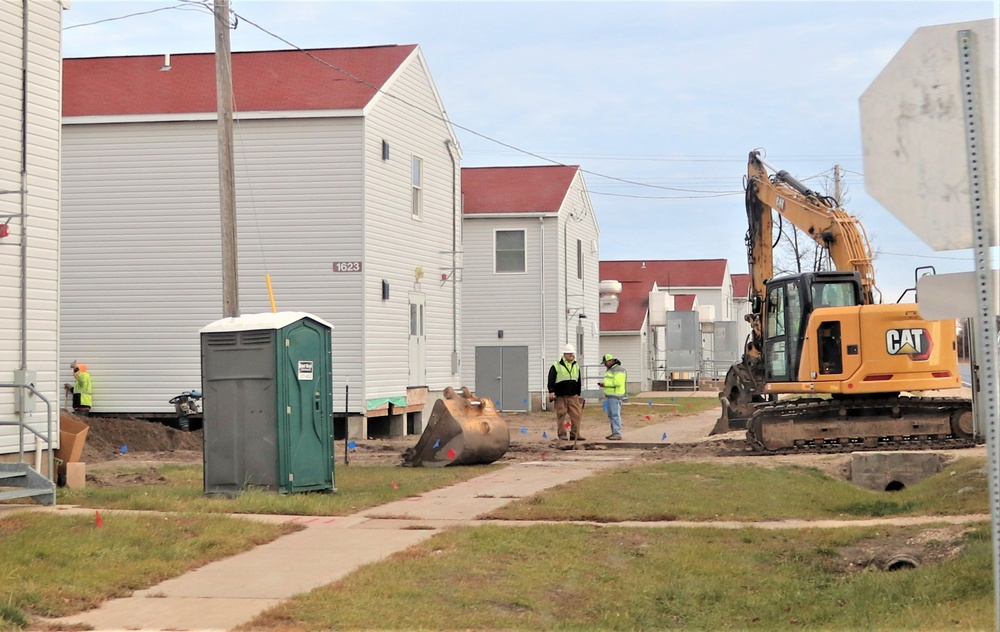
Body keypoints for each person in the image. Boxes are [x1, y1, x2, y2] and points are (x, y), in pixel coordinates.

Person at [547, 344, 583, 440]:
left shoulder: (576, 366)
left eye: (572, 353)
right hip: (560, 396)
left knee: (576, 415)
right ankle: (562, 434)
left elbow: (578, 380)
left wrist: (578, 393)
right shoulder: (556, 366)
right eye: (569, 353)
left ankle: (575, 434)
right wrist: (551, 391)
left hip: (573, 395)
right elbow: (551, 379)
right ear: (564, 354)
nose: (571, 355)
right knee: (561, 415)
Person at [598, 354, 626, 440]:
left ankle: (617, 433)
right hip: (610, 396)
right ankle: (614, 432)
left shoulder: (618, 370)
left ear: (610, 361)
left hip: (615, 395)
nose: (605, 365)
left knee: (615, 415)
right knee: (611, 415)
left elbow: (618, 383)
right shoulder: (611, 369)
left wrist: (605, 384)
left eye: (605, 363)